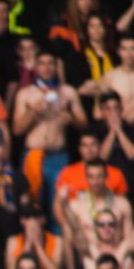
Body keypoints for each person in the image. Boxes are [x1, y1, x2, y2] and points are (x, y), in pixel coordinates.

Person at [12, 52, 87, 214]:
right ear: (36, 67)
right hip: (33, 154)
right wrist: (33, 111)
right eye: (42, 63)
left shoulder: (68, 92)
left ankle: (58, 239)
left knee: (59, 208)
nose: (46, 67)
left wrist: (71, 119)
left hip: (58, 157)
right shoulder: (25, 93)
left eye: (50, 63)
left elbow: (84, 124)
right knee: (32, 207)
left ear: (57, 66)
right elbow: (17, 129)